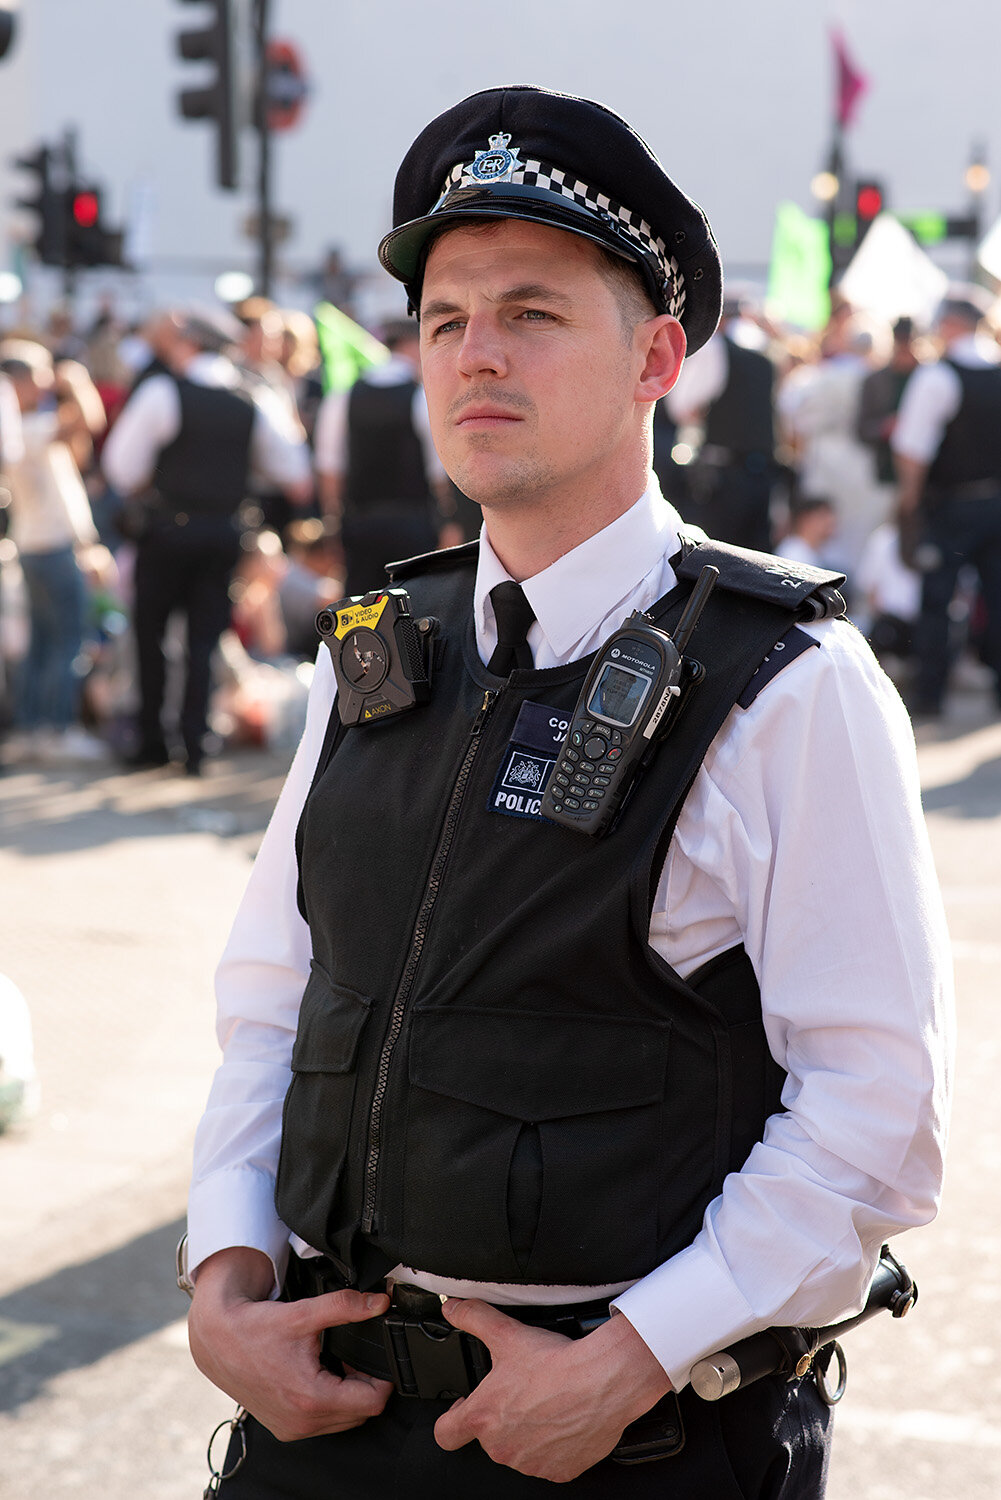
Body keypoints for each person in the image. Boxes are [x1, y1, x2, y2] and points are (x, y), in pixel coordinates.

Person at [185, 87, 951, 1498]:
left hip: (625, 1442)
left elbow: (874, 1106)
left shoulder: (787, 682)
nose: (478, 356)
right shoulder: (377, 651)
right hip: (322, 1426)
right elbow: (274, 1002)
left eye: (532, 313)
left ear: (657, 356)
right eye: (445, 321)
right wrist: (224, 1277)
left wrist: (631, 1358)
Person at [102, 306, 311, 774]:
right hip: (223, 531)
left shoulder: (163, 391)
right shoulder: (251, 395)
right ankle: (196, 743)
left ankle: (152, 740)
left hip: (166, 529)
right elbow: (293, 471)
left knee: (150, 634)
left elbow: (121, 466)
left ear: (189, 344)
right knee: (205, 638)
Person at [892, 287, 1001, 716]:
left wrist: (909, 503)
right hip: (996, 504)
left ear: (951, 324)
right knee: (997, 598)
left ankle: (930, 697)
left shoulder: (939, 375)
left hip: (952, 506)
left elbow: (911, 451)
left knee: (937, 600)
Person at [313, 318, 447, 594]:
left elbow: (329, 469)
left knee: (362, 612)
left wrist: (334, 526)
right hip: (414, 524)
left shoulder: (344, 395)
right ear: (411, 345)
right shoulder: (421, 396)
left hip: (360, 525)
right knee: (417, 607)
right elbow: (439, 472)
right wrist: (448, 522)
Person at [665, 296, 777, 551]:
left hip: (725, 477)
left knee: (717, 559)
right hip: (762, 476)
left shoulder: (715, 348)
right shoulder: (768, 352)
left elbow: (681, 407)